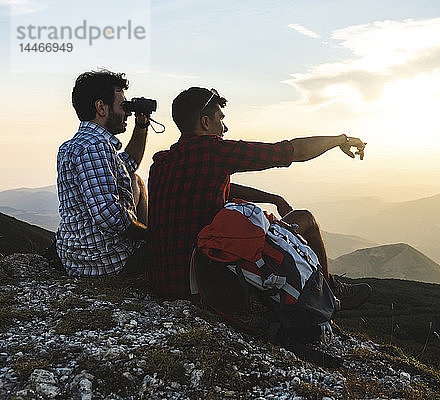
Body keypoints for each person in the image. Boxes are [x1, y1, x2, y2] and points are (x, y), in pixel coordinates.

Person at [147, 87, 371, 310]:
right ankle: (330, 292)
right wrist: (341, 139)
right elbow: (290, 151)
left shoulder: (161, 163)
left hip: (165, 281)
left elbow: (211, 186)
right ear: (205, 122)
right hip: (205, 283)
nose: (224, 128)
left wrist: (272, 198)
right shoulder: (214, 151)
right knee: (306, 219)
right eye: (220, 119)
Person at [56, 70, 149, 276]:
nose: (128, 112)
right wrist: (150, 236)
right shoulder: (95, 147)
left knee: (135, 179)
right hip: (104, 262)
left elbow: (128, 164)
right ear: (101, 107)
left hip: (77, 257)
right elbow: (109, 215)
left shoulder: (74, 145)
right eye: (123, 106)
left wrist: (141, 126)